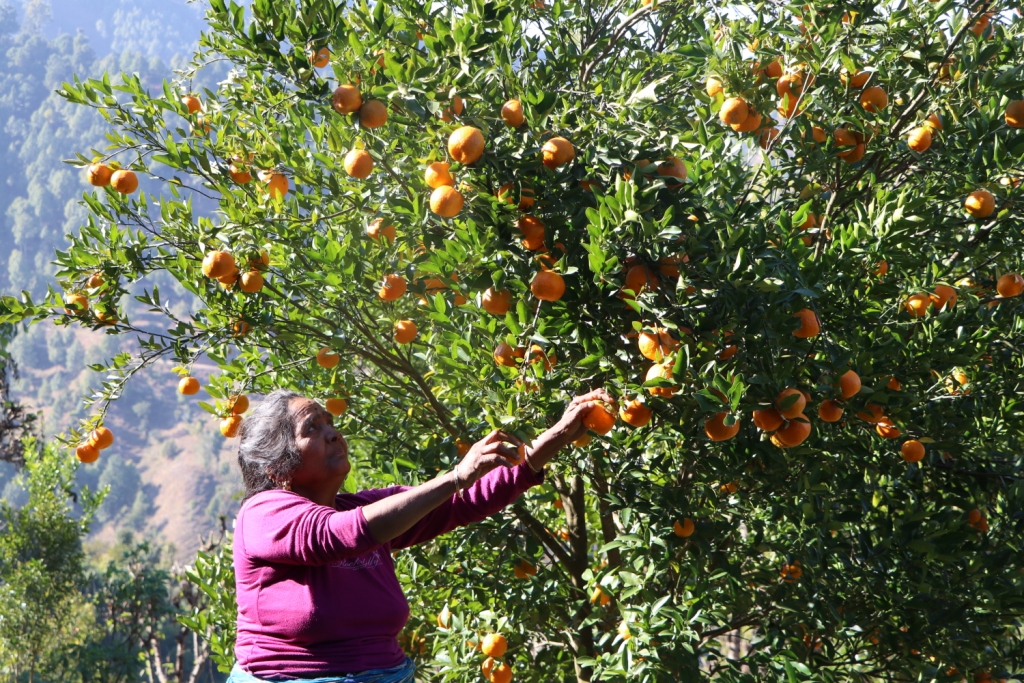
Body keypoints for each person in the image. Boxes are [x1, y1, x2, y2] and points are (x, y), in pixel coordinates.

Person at [227, 387, 614, 683]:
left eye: (330, 422)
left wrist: (558, 435)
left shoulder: (358, 510)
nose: (333, 433)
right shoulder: (263, 514)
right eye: (313, 427)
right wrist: (456, 476)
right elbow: (333, 535)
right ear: (277, 468)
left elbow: (463, 500)